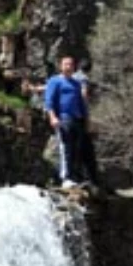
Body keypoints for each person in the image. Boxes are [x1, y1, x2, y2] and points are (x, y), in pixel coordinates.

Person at [43, 55, 91, 188]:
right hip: (63, 118)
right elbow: (49, 101)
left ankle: (74, 176)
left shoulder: (77, 83)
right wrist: (52, 117)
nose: (68, 67)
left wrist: (86, 120)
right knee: (66, 147)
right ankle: (65, 177)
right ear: (61, 66)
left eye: (71, 64)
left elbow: (82, 104)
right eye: (66, 64)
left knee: (76, 149)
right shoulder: (55, 81)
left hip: (77, 118)